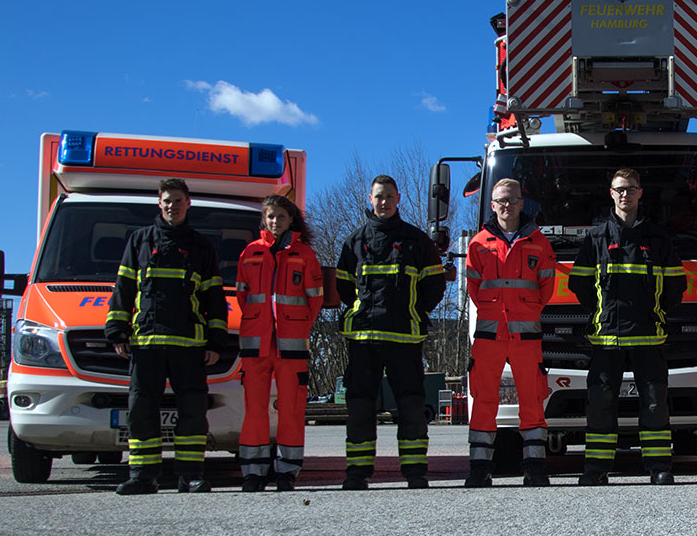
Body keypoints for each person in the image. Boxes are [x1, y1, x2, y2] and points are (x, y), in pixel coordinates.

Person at [106, 178, 231, 495]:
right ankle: (142, 476)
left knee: (192, 412)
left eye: (177, 200)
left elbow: (214, 299)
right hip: (145, 344)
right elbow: (123, 290)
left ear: (188, 204)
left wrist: (217, 342)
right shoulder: (139, 242)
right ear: (158, 204)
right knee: (140, 411)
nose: (172, 206)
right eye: (167, 200)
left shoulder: (201, 247)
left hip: (189, 345)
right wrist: (117, 331)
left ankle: (190, 475)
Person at [568, 168, 686, 486]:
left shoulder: (658, 239)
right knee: (601, 401)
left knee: (653, 402)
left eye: (630, 189)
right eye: (619, 189)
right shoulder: (595, 239)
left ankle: (659, 467)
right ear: (611, 193)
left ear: (640, 193)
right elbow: (578, 286)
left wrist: (656, 313)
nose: (625, 195)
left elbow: (677, 286)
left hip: (649, 336)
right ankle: (596, 468)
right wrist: (601, 315)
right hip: (607, 337)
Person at [334, 175, 446, 490]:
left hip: (404, 339)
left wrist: (413, 311)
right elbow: (343, 287)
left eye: (389, 197)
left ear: (399, 199)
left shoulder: (416, 240)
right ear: (371, 198)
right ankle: (357, 473)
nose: (383, 202)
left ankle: (414, 472)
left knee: (411, 405)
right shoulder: (354, 241)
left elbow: (434, 286)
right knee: (360, 405)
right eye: (378, 197)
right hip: (364, 340)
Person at [464, 178, 558, 488]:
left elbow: (547, 288)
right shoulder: (477, 244)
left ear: (522, 203)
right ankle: (479, 468)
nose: (507, 205)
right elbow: (474, 289)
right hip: (490, 336)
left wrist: (524, 311)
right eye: (501, 200)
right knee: (484, 399)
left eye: (512, 200)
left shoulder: (539, 243)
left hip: (526, 335)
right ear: (492, 205)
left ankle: (534, 467)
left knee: (532, 399)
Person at [234, 194, 324, 492]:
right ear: (264, 219)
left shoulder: (305, 254)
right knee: (255, 408)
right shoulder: (249, 252)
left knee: (292, 409)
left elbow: (315, 299)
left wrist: (299, 329)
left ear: (291, 220)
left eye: (281, 217)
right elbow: (243, 297)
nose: (275, 222)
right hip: (256, 343)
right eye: (271, 216)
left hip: (291, 344)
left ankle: (287, 470)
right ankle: (254, 471)